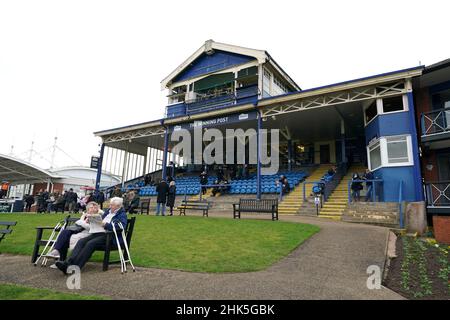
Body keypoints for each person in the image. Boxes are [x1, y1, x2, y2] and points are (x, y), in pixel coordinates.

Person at [55, 197, 127, 274]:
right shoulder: (108, 212)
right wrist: (92, 220)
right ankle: (67, 263)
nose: (110, 206)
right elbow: (99, 220)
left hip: (110, 236)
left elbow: (121, 227)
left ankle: (75, 267)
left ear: (118, 206)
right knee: (81, 241)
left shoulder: (122, 214)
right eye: (110, 204)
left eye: (112, 205)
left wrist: (106, 224)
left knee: (90, 244)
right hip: (99, 232)